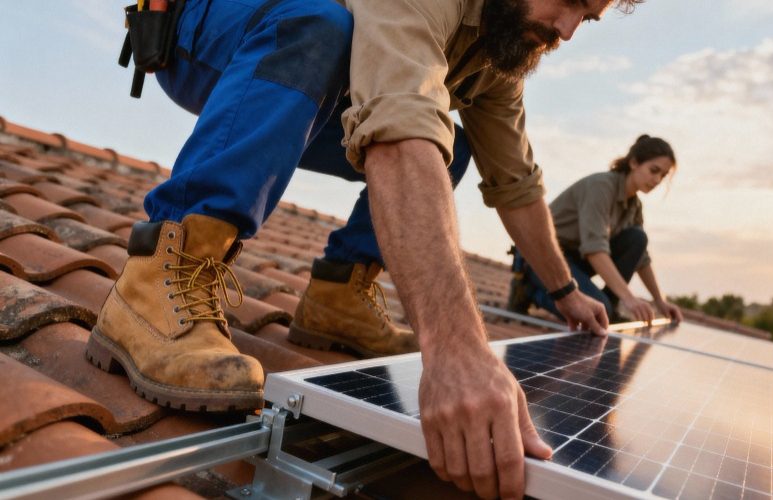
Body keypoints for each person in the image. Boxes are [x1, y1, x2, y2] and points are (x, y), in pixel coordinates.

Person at [87, 0, 643, 497]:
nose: (568, 31)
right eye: (569, 2)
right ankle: (159, 276)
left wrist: (565, 290)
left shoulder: (498, 53)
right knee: (320, 23)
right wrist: (455, 351)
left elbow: (516, 183)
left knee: (453, 139)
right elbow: (400, 132)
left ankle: (338, 297)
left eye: (587, 17)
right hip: (210, 29)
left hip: (307, 63)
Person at [509, 134, 685, 325]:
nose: (658, 179)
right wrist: (630, 299)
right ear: (634, 163)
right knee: (597, 314)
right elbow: (594, 250)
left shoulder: (634, 206)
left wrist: (660, 301)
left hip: (575, 260)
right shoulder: (600, 187)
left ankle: (611, 305)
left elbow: (641, 259)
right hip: (542, 258)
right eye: (654, 170)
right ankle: (528, 290)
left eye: (663, 175)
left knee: (637, 238)